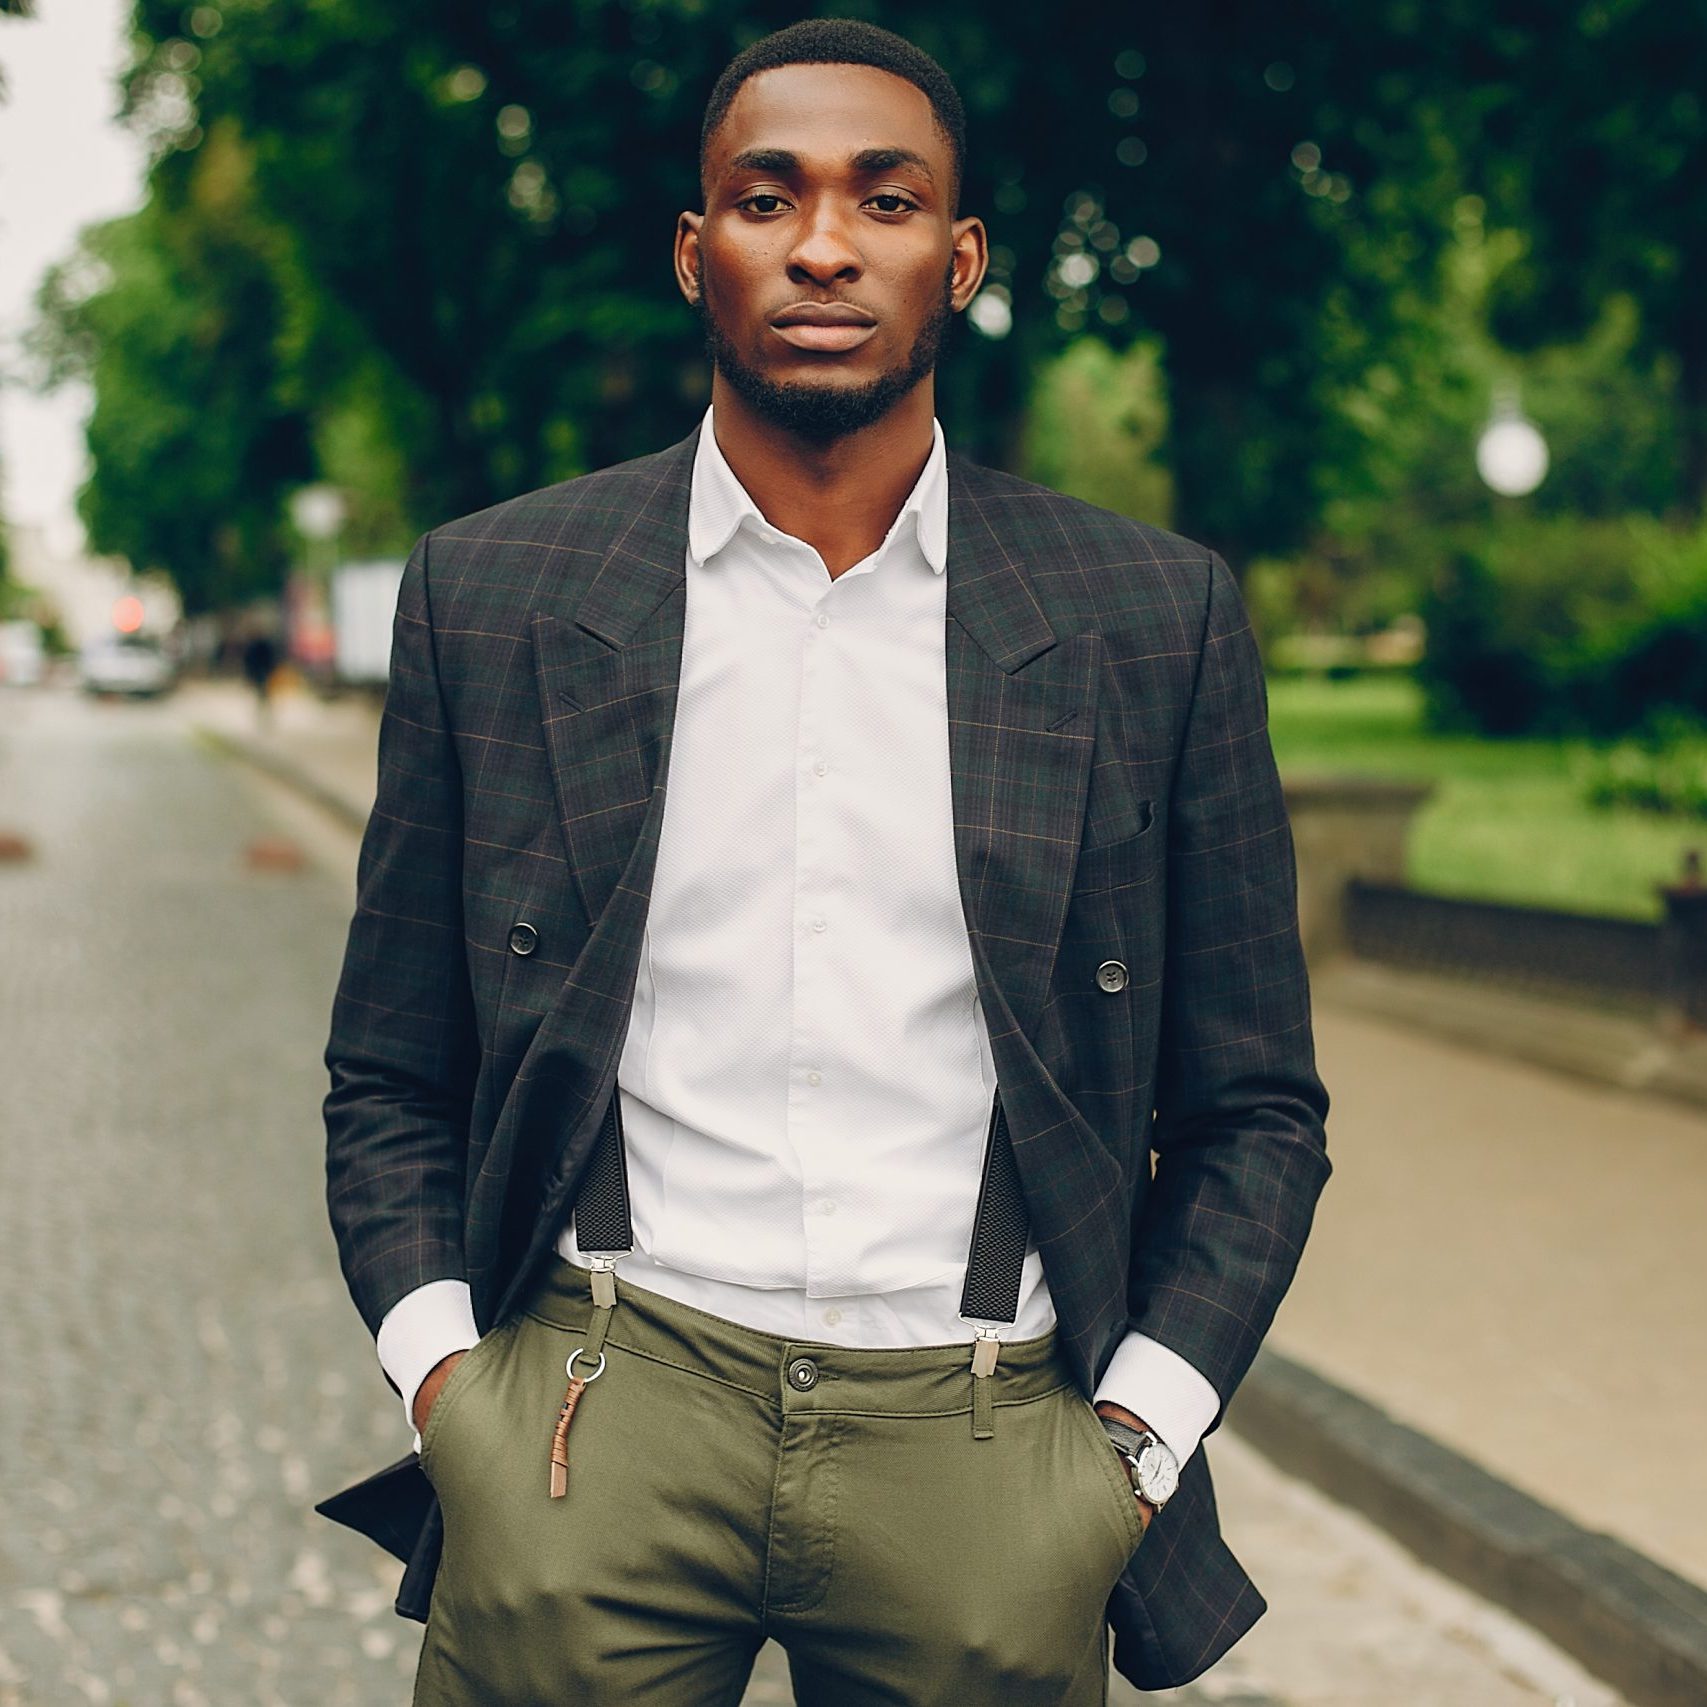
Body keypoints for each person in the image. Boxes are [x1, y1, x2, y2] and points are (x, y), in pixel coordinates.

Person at [318, 20, 1331, 1704]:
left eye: (887, 197)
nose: (825, 242)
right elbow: (388, 1067)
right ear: (695, 250)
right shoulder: (495, 595)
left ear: (962, 258)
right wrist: (451, 1393)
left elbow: (1254, 1110)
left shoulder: (1151, 619)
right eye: (768, 195)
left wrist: (1131, 1446)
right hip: (591, 1415)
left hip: (990, 1438)